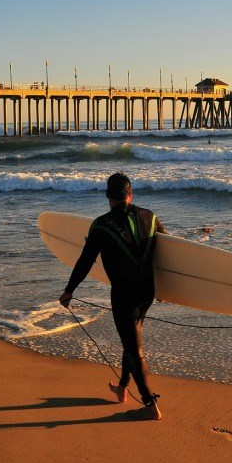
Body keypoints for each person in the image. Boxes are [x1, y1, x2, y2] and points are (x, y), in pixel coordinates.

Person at [59, 172, 166, 421]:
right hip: (146, 293)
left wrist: (69, 291)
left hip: (124, 295)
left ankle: (150, 406)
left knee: (134, 348)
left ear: (109, 197)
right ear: (131, 194)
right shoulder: (151, 217)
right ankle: (121, 388)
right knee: (131, 340)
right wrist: (166, 289)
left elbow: (85, 261)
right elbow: (169, 253)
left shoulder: (102, 225)